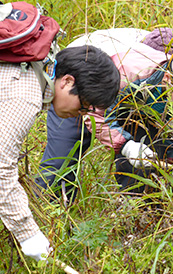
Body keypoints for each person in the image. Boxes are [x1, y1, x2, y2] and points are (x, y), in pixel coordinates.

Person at [35, 28, 173, 197]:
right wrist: (125, 145)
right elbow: (95, 115)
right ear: (168, 78)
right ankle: (48, 211)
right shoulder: (130, 74)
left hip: (130, 98)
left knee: (144, 154)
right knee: (61, 162)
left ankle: (141, 214)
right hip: (81, 79)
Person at [0, 45, 120, 261]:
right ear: (67, 81)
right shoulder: (26, 97)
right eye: (83, 105)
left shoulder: (37, 66)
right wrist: (28, 235)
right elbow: (1, 171)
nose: (81, 114)